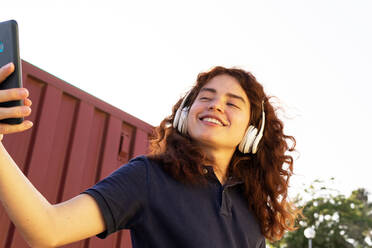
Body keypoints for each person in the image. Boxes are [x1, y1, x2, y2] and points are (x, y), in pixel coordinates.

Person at [0, 62, 300, 247]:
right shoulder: (149, 176)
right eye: (205, 98)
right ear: (185, 115)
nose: (216, 105)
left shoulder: (252, 209)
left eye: (232, 103)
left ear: (253, 132)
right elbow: (47, 229)